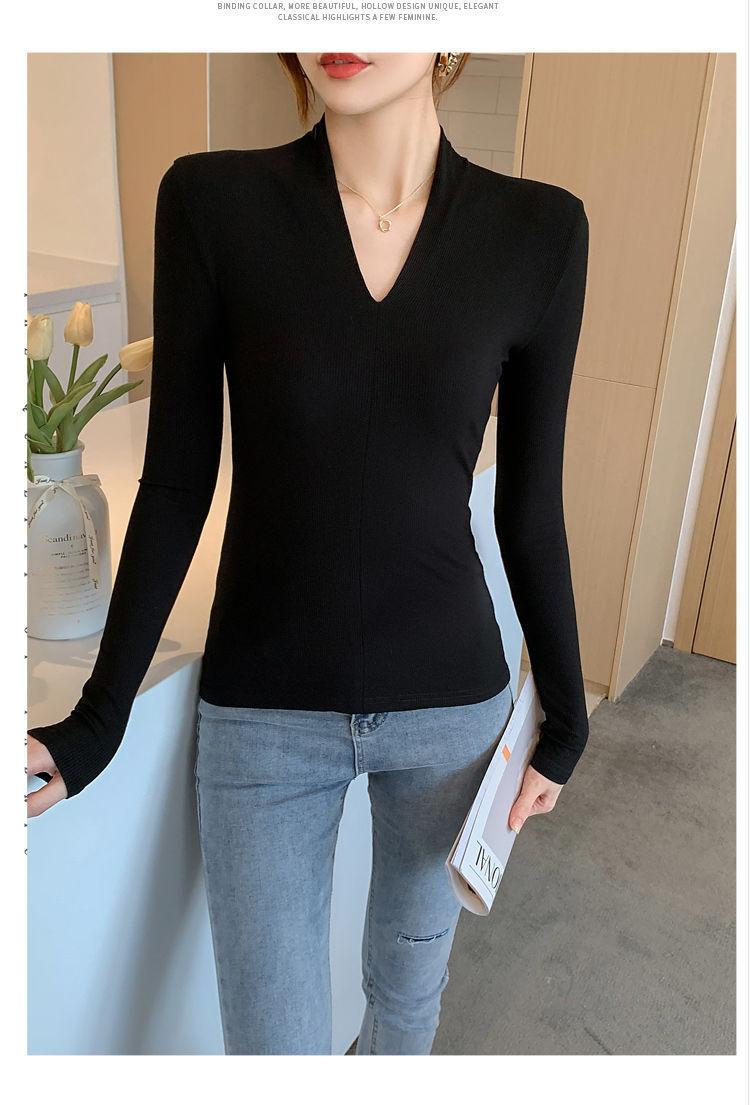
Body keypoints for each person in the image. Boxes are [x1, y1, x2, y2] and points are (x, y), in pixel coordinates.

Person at [26, 52, 590, 1055]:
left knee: (405, 1009)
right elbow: (177, 481)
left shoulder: (539, 231)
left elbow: (531, 508)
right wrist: (98, 720)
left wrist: (568, 719)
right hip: (264, 719)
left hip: (452, 715)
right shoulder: (211, 205)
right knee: (275, 1052)